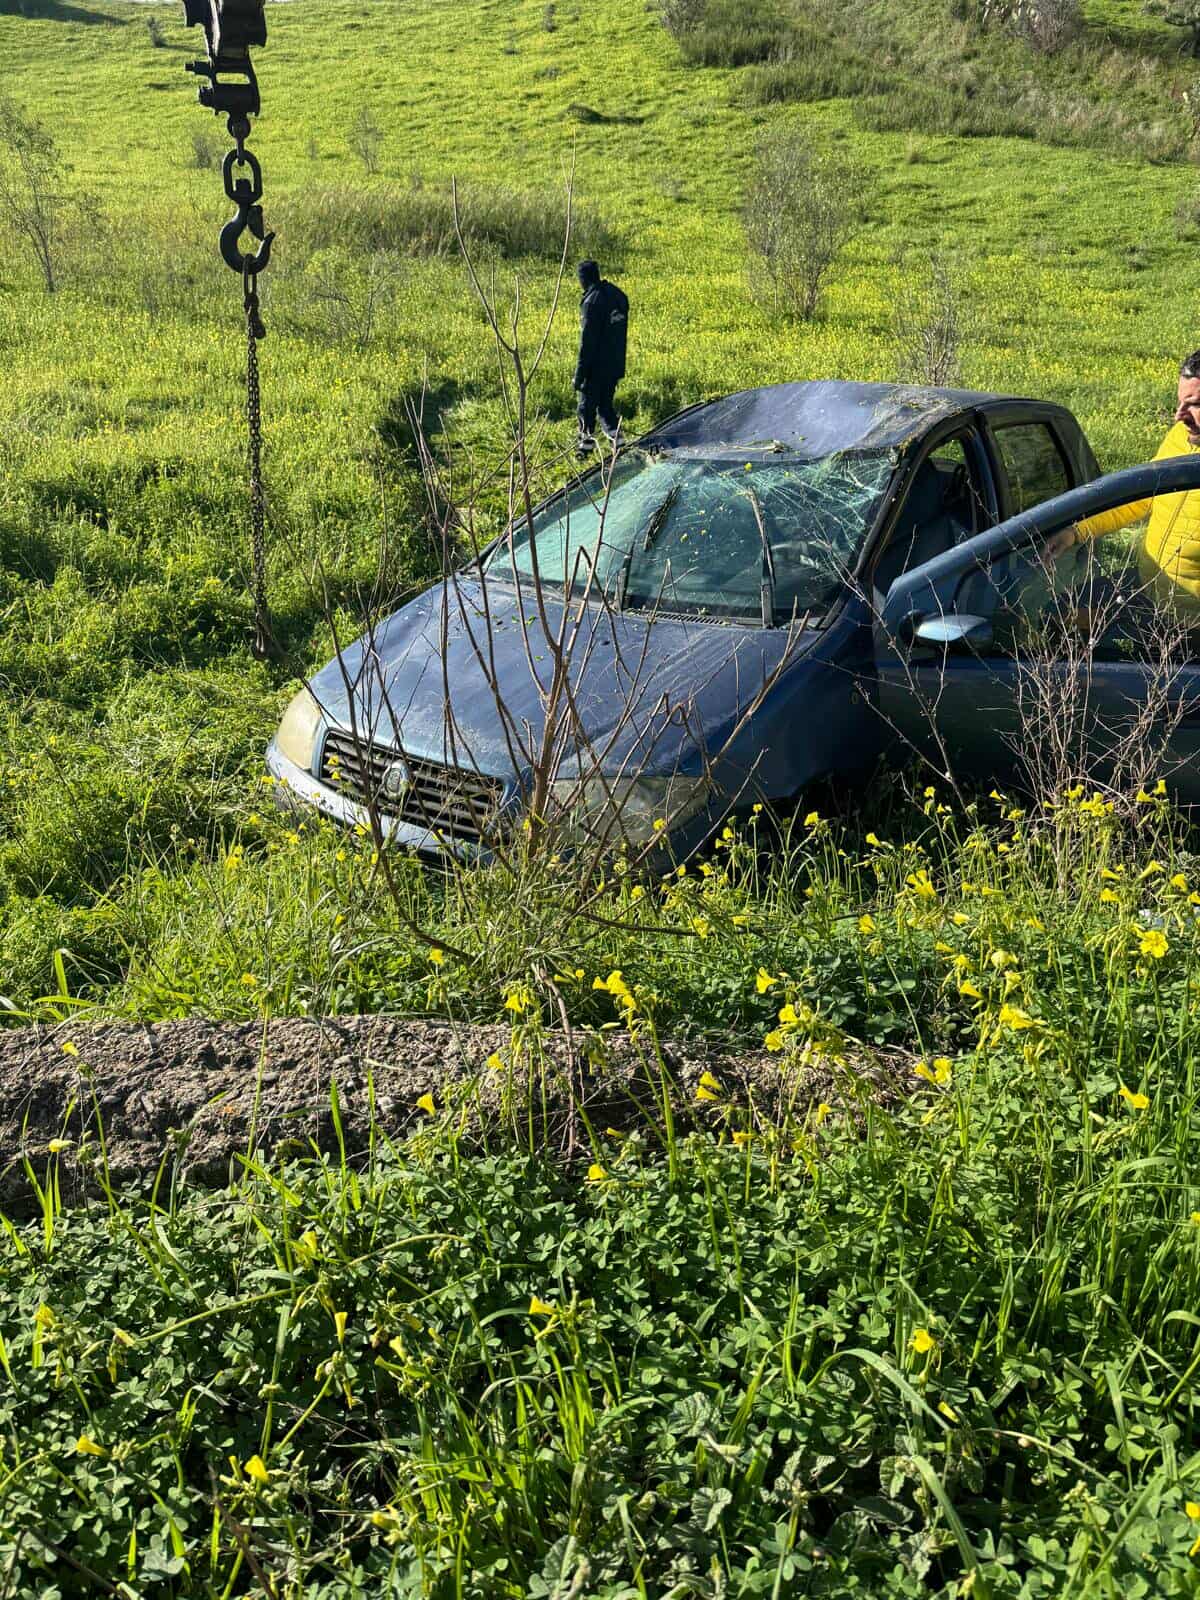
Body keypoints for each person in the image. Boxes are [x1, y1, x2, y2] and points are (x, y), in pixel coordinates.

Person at [1053, 351, 1200, 616]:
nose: (1180, 416)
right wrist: (1077, 531)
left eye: (1196, 405)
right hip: (1149, 591)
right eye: (1180, 402)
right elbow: (1141, 495)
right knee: (1058, 613)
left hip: (1190, 622)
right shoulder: (1181, 437)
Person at [573, 259, 628, 459]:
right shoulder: (617, 295)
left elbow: (587, 343)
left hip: (595, 367)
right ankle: (618, 443)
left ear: (584, 279)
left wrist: (579, 375)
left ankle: (585, 448)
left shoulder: (592, 302)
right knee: (605, 406)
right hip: (615, 363)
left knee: (586, 407)